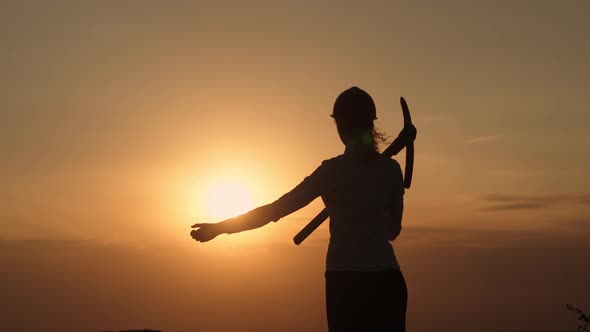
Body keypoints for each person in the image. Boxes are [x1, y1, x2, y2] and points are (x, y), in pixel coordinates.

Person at [191, 87, 416, 331]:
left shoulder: (331, 171)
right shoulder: (391, 171)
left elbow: (275, 210)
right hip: (388, 281)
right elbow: (393, 231)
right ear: (371, 125)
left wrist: (220, 228)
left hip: (346, 283)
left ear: (340, 126)